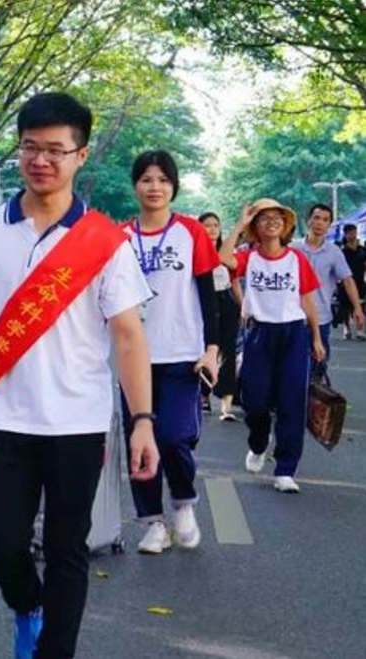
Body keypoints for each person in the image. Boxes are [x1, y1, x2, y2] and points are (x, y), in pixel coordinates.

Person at [0, 92, 159, 659]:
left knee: (66, 549)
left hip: (77, 419)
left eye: (56, 149)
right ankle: (27, 604)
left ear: (80, 156)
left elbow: (128, 335)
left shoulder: (107, 243)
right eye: (31, 147)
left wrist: (143, 421)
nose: (41, 160)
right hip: (3, 415)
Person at [121, 151, 220, 555]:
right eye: (146, 179)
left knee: (174, 436)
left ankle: (182, 502)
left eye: (163, 179)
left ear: (174, 186)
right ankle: (153, 523)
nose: (155, 187)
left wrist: (212, 349)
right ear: (135, 186)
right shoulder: (119, 237)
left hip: (182, 352)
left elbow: (208, 295)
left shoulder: (191, 232)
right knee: (139, 444)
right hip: (132, 358)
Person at [219, 199, 325, 493]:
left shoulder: (297, 259)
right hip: (259, 333)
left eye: (277, 217)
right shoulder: (248, 257)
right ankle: (258, 442)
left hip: (294, 334)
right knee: (254, 401)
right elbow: (221, 258)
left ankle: (286, 469)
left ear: (285, 225)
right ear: (255, 227)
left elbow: (306, 299)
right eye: (264, 218)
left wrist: (316, 337)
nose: (271, 222)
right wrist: (241, 222)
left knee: (293, 402)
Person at [292, 204, 364, 375]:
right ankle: (296, 399)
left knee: (319, 363)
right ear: (309, 220)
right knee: (294, 365)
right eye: (316, 218)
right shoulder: (294, 249)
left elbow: (347, 280)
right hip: (293, 315)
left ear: (329, 225)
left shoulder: (334, 252)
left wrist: (358, 308)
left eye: (325, 220)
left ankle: (317, 398)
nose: (319, 223)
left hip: (321, 317)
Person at [199, 211, 241, 421]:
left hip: (226, 302)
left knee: (228, 352)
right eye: (207, 225)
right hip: (204, 305)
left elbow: (234, 281)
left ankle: (227, 405)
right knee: (206, 350)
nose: (212, 229)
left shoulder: (227, 253)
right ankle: (203, 396)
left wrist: (243, 306)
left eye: (216, 225)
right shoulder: (193, 253)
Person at [338, 223, 366, 340]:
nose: (353, 235)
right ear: (345, 234)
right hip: (345, 282)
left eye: (354, 233)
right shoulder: (341, 251)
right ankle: (347, 329)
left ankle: (360, 330)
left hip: (359, 281)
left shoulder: (362, 250)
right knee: (345, 307)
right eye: (350, 233)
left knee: (361, 305)